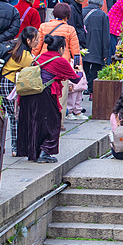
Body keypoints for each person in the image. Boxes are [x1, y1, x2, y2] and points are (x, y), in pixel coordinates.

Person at [18, 34, 80, 163]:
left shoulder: (39, 57)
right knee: (52, 123)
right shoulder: (60, 60)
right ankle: (45, 151)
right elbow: (75, 79)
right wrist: (80, 71)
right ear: (62, 48)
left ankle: (33, 152)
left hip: (29, 94)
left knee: (34, 123)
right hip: (44, 94)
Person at [0, 27, 38, 155]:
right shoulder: (24, 55)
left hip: (1, 82)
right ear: (28, 40)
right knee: (15, 116)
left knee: (3, 115)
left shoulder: (15, 46)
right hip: (10, 85)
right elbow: (36, 67)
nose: (38, 42)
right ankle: (16, 147)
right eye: (36, 39)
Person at [82, 0, 111, 90]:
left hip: (83, 46)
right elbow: (106, 35)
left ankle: (83, 88)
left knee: (84, 68)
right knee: (95, 70)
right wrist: (105, 53)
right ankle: (91, 91)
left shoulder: (82, 12)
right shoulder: (103, 15)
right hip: (97, 47)